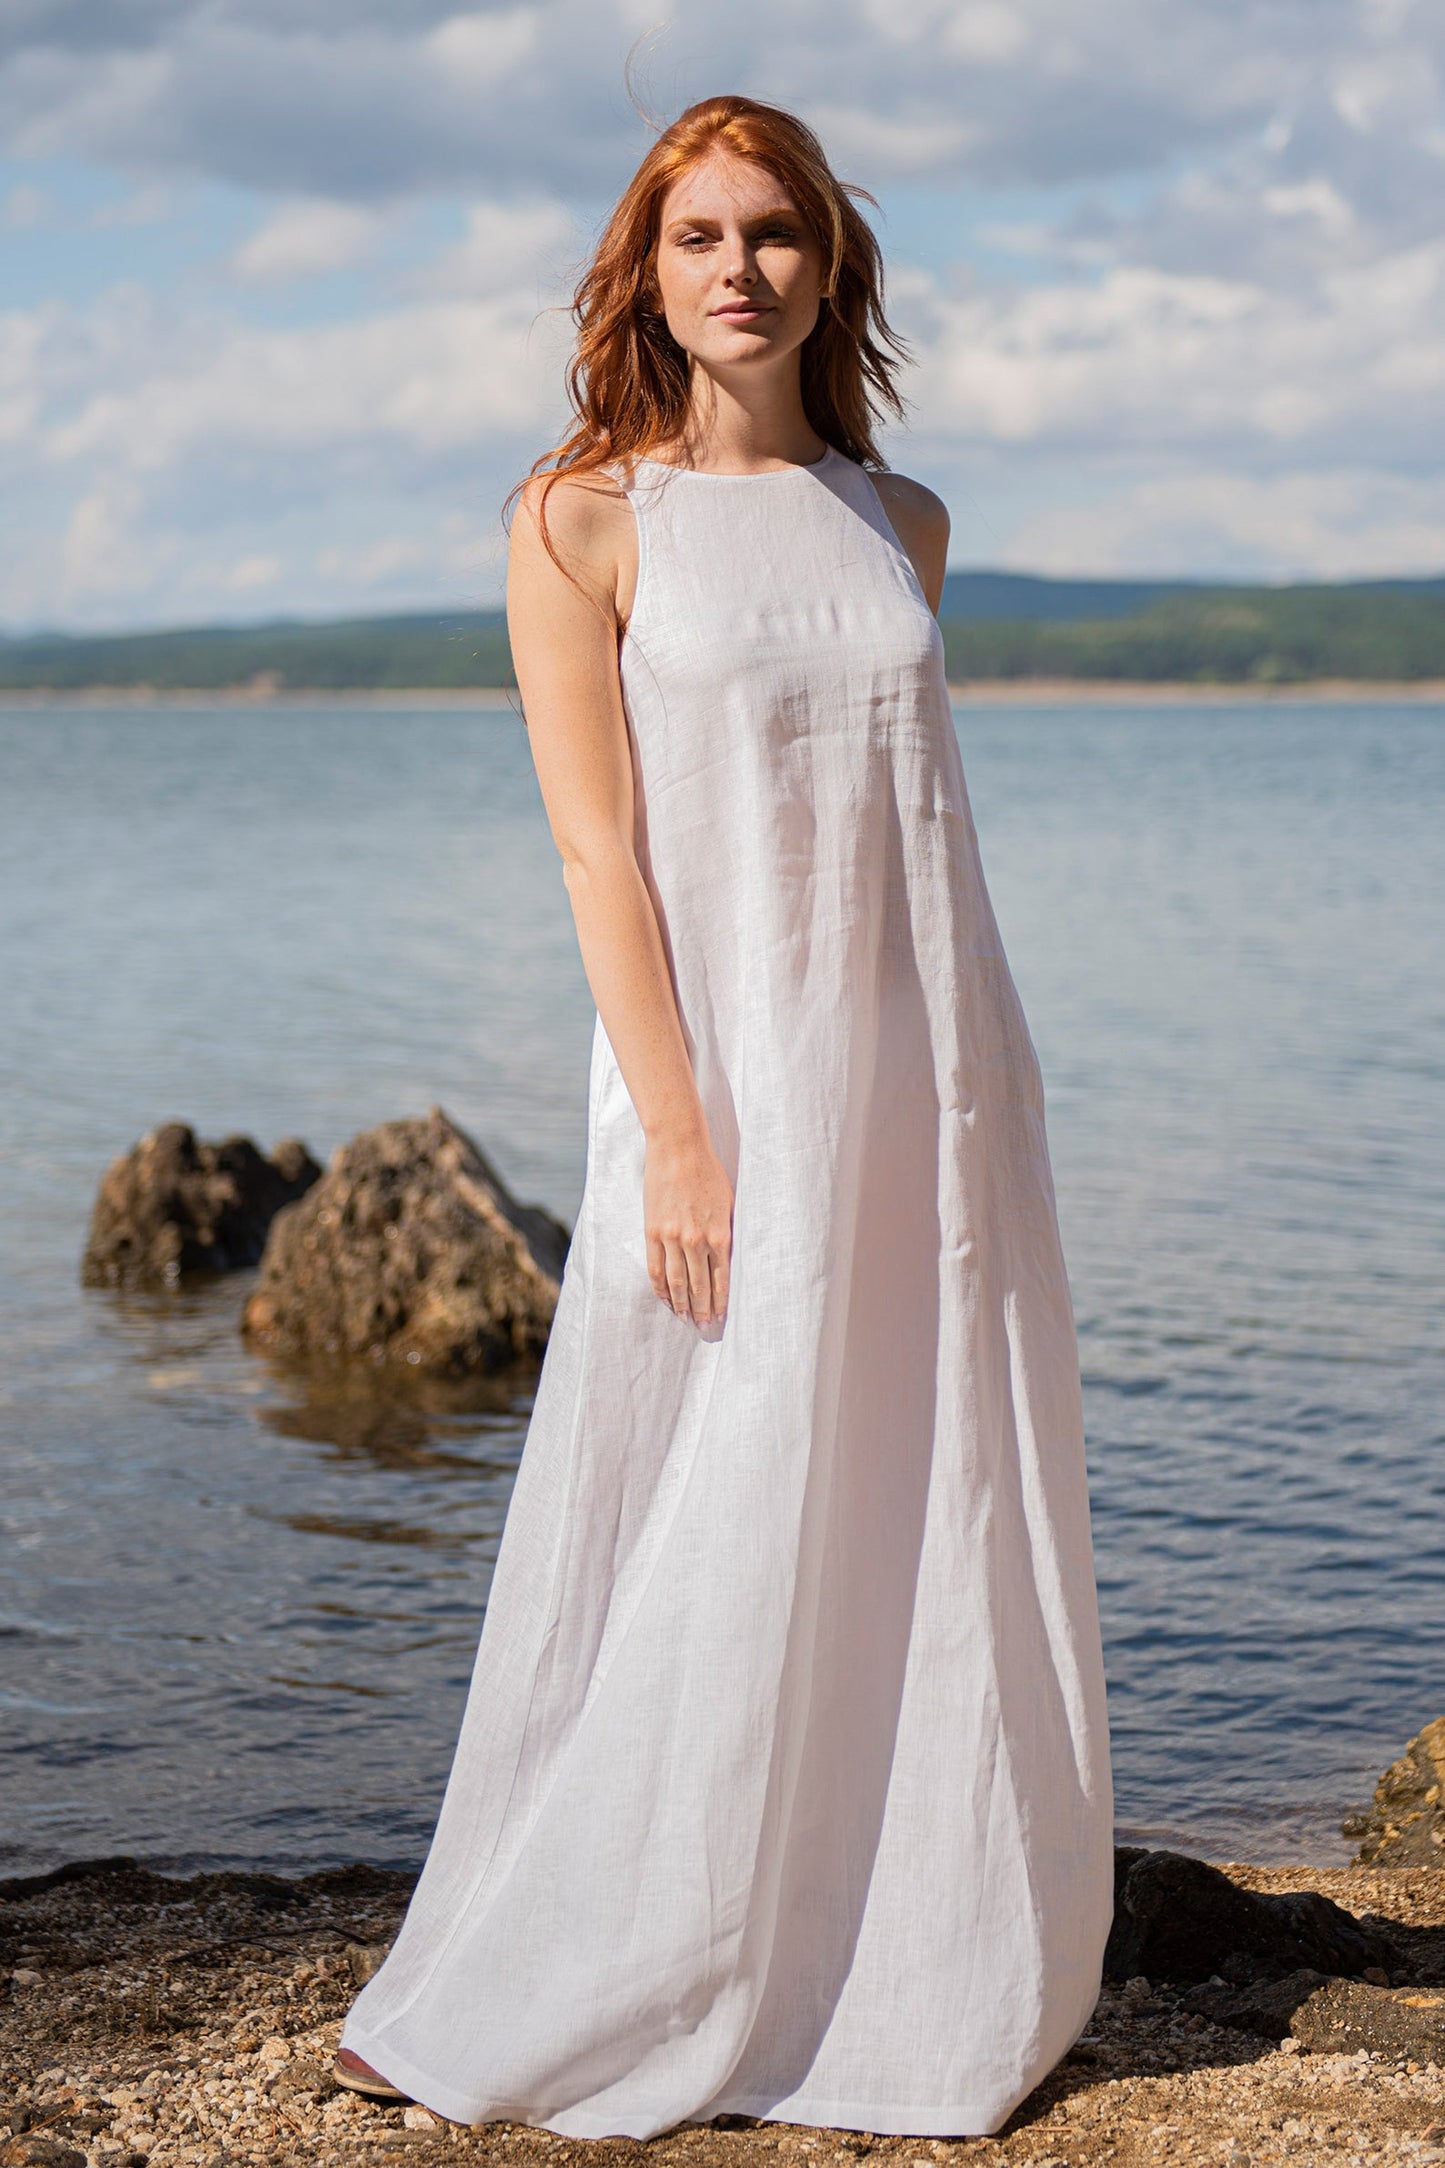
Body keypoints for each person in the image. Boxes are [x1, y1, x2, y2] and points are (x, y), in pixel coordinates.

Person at [333, 92, 1113, 2141]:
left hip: (930, 1075)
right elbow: (600, 856)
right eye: (699, 237)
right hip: (721, 1083)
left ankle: (893, 1936)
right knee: (690, 1496)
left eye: (775, 233)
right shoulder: (587, 515)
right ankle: (595, 1947)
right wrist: (677, 1134)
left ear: (828, 263)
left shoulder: (900, 520)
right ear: (646, 269)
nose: (740, 269)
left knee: (904, 1483)